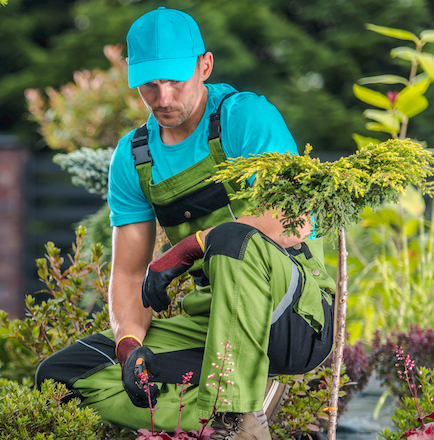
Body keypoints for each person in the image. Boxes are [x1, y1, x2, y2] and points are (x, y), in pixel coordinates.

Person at [35, 7, 337, 440]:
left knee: (234, 238)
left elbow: (293, 220)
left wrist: (191, 244)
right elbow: (128, 273)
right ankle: (222, 413)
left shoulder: (244, 118)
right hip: (211, 326)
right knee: (62, 377)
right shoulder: (134, 156)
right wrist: (129, 347)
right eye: (150, 84)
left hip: (293, 317)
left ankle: (237, 418)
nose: (163, 98)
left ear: (205, 66)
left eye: (176, 80)